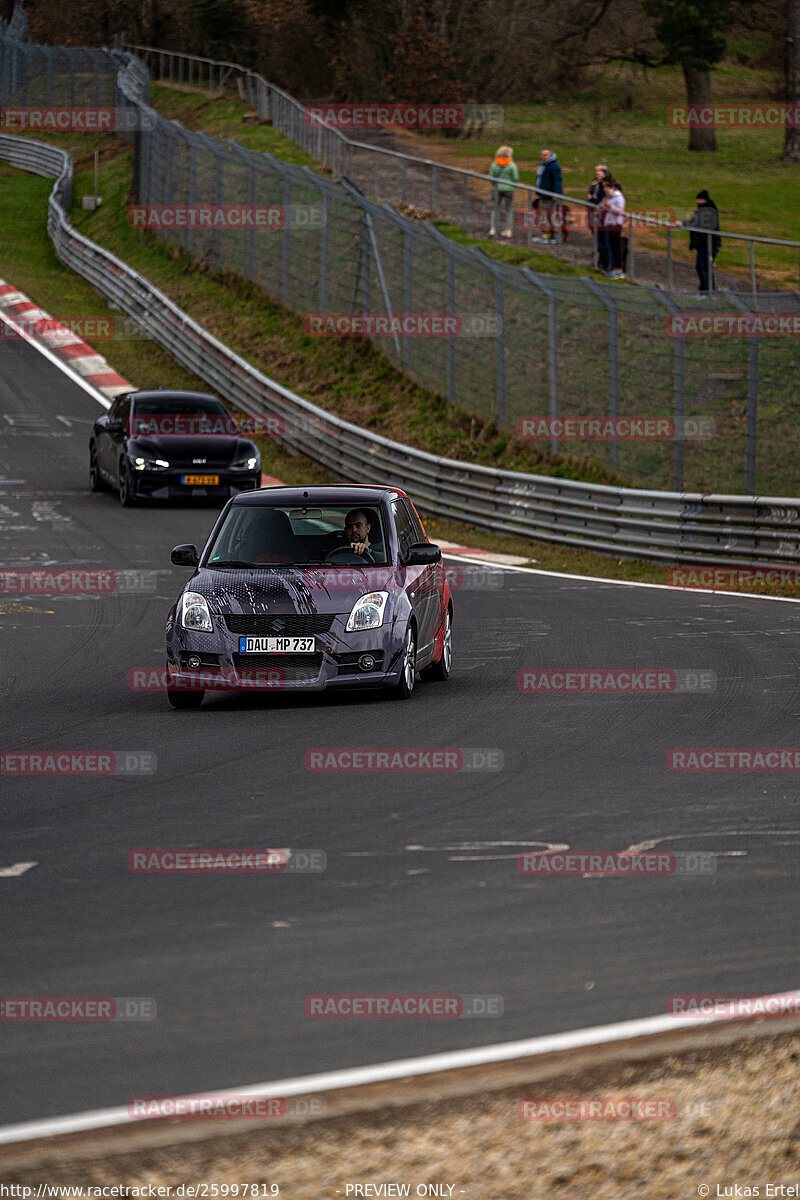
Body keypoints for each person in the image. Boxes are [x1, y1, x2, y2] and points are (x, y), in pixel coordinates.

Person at [674, 190, 721, 294]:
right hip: (704, 245)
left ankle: (708, 290)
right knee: (701, 267)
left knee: (705, 267)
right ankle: (705, 289)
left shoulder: (708, 211)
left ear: (703, 199)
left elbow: (696, 222)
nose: (697, 201)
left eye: (699, 199)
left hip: (709, 244)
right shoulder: (706, 210)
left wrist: (682, 223)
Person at [533, 148, 564, 243]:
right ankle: (545, 235)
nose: (543, 157)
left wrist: (556, 193)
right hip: (543, 194)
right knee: (543, 215)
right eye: (542, 155)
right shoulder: (543, 165)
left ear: (550, 155)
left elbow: (558, 181)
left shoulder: (554, 166)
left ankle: (556, 236)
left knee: (553, 216)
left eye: (545, 155)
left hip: (551, 196)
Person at [598, 175, 626, 278]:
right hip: (608, 224)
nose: (606, 190)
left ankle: (619, 270)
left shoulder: (619, 198)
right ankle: (613, 268)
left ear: (613, 187)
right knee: (610, 247)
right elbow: (598, 210)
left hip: (616, 225)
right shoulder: (607, 198)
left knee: (616, 248)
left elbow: (620, 211)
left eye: (607, 188)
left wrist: (610, 206)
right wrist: (601, 205)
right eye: (604, 187)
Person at [488, 146, 519, 238]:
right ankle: (508, 230)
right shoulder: (512, 165)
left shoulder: (494, 164)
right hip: (509, 189)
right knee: (508, 209)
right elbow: (515, 178)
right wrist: (512, 185)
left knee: (495, 208)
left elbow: (491, 176)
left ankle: (493, 229)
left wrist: (495, 185)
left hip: (497, 188)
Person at [587, 162, 609, 270]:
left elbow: (601, 200)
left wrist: (593, 199)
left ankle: (603, 261)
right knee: (595, 235)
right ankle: (599, 255)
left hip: (602, 215)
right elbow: (589, 196)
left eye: (600, 171)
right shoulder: (594, 182)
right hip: (592, 212)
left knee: (603, 238)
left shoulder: (607, 184)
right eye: (596, 171)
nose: (598, 173)